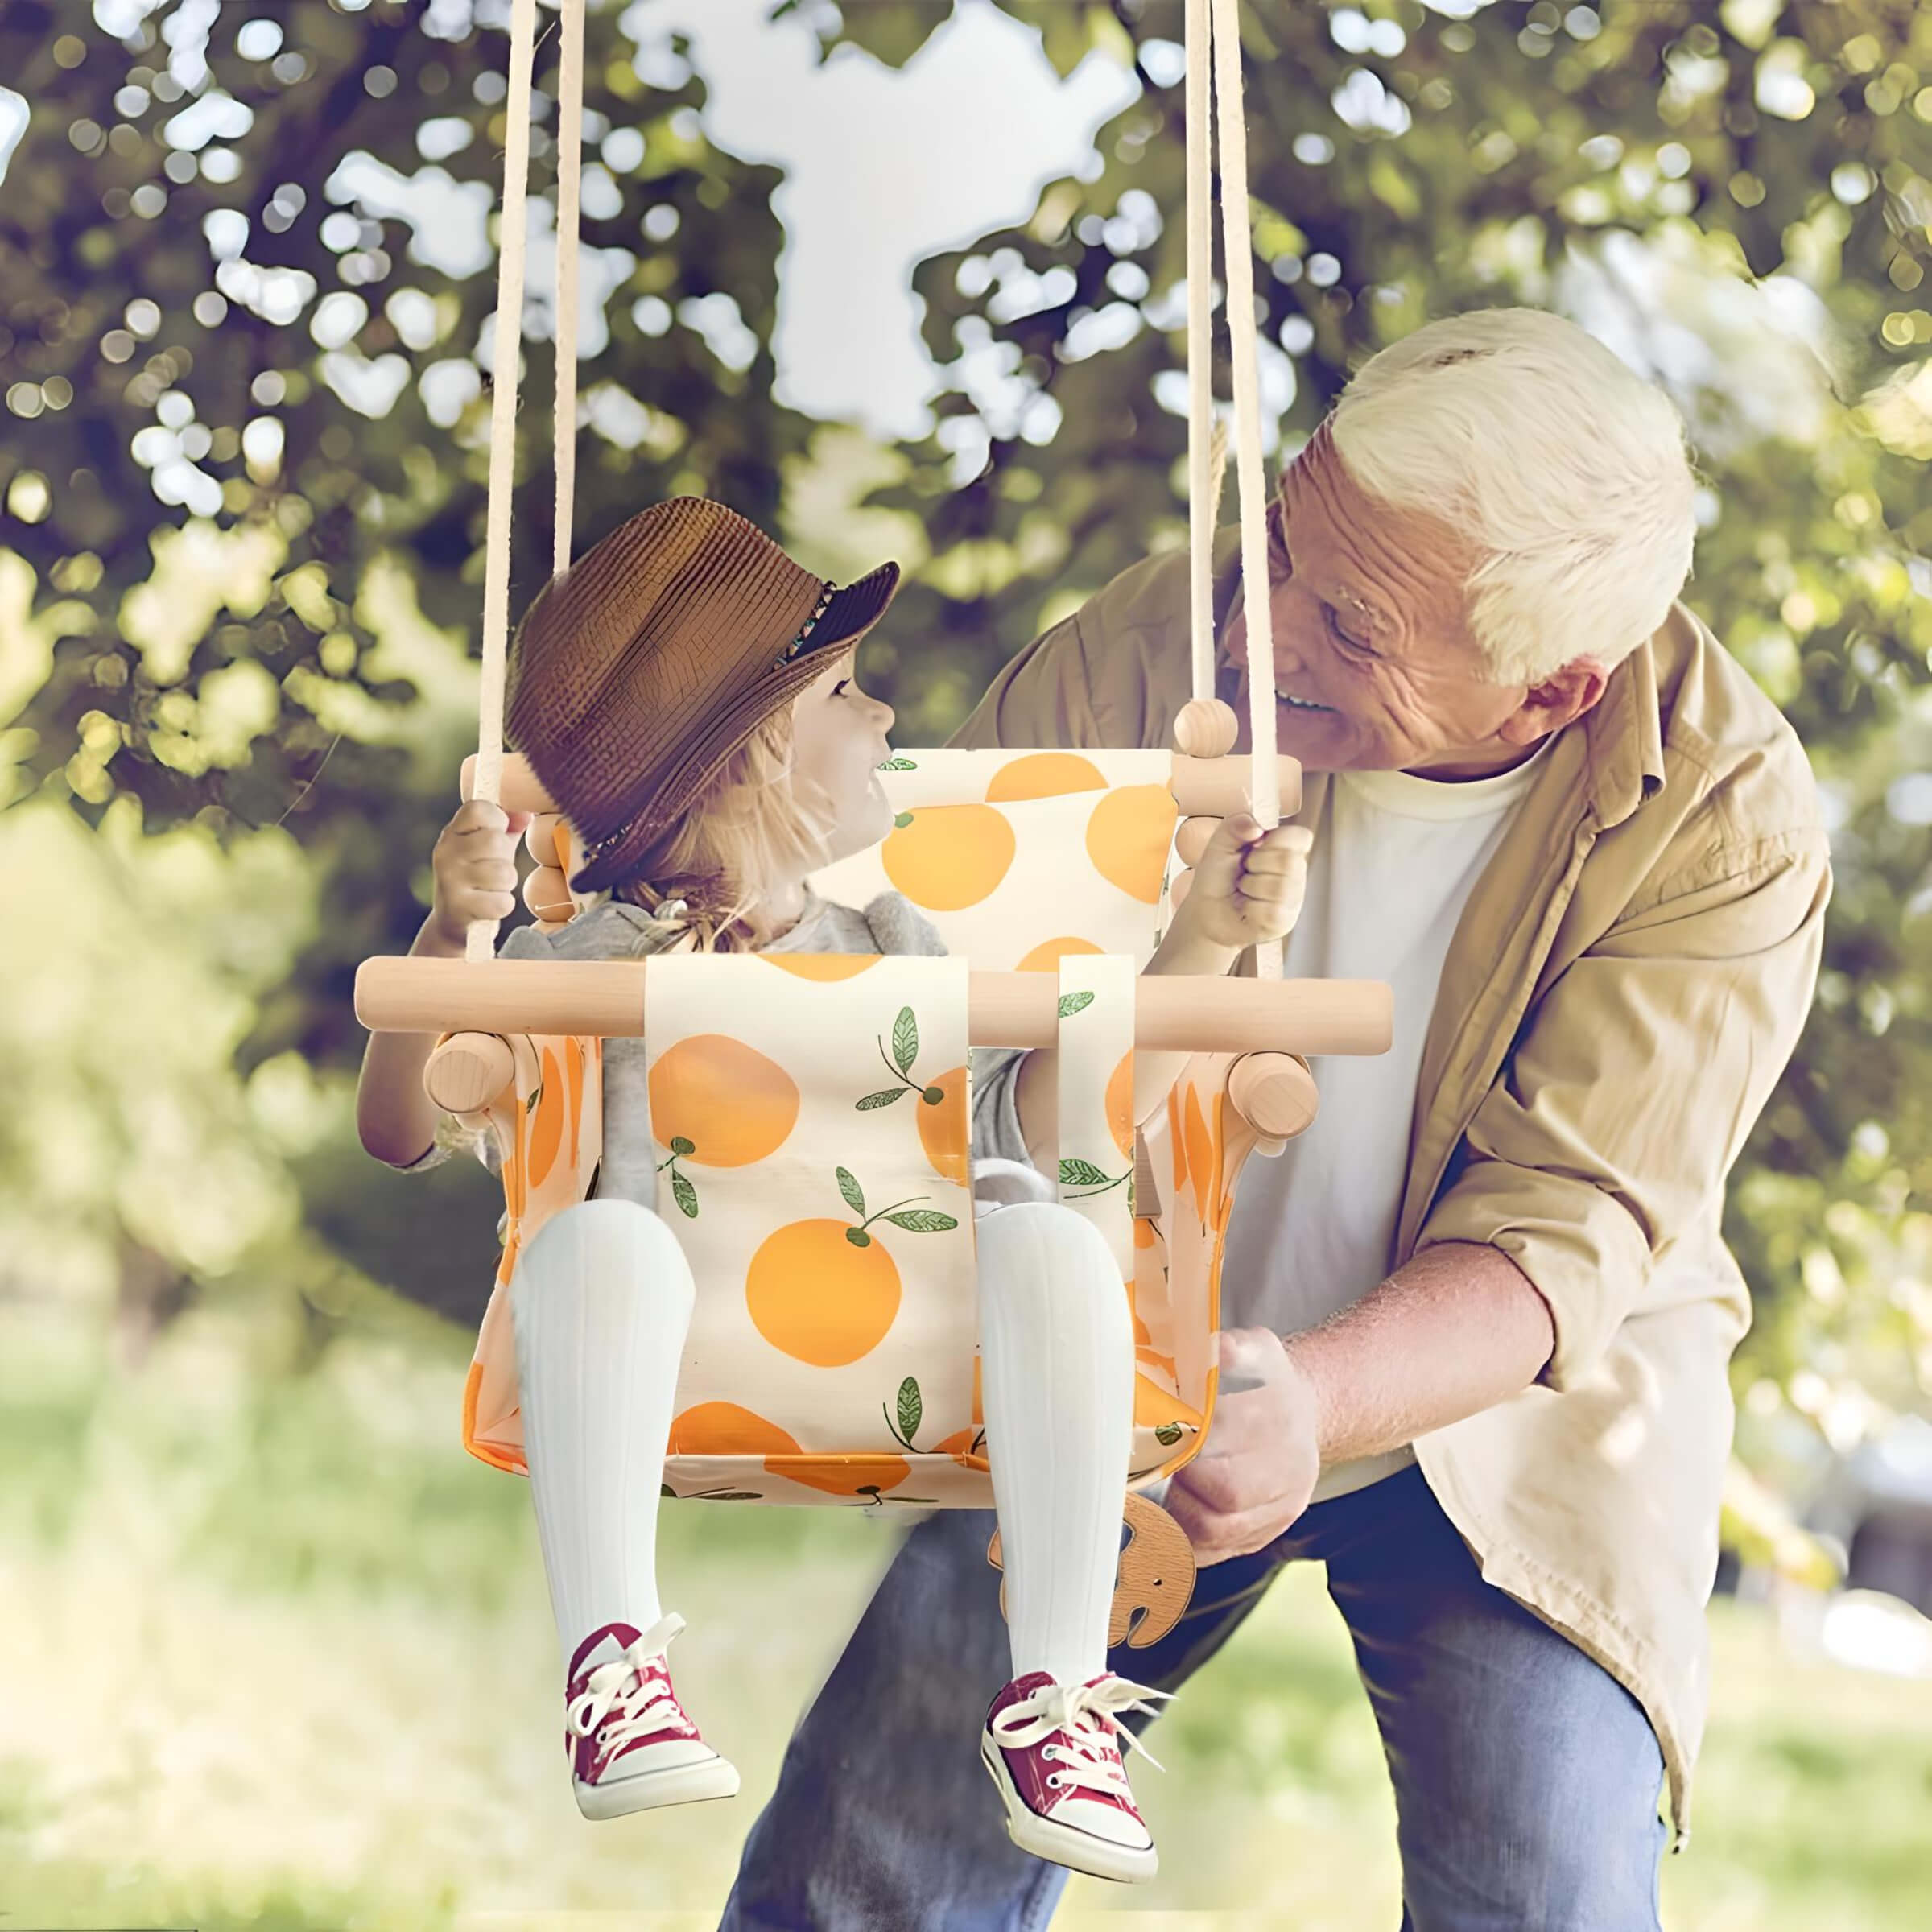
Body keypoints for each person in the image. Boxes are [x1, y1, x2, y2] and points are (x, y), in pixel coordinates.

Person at [718, 308, 1832, 1930]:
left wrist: (1311, 1395)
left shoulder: (1730, 814)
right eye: (1286, 541)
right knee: (864, 1879)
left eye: (1353, 627)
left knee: (1546, 1894)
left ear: (1550, 688)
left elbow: (1564, 1237)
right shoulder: (1155, 643)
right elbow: (954, 1029)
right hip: (1119, 1339)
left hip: (1509, 1404)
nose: (1263, 630)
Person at [353, 497, 1310, 1882]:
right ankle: (612, 1665)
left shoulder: (895, 940)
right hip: (684, 1346)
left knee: (1045, 1234)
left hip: (916, 1329)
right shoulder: (599, 959)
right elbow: (396, 1127)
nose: (886, 718)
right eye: (849, 693)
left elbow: (1042, 1128)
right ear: (752, 758)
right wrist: (457, 936)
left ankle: (1054, 1694)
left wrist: (1205, 936)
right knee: (593, 1241)